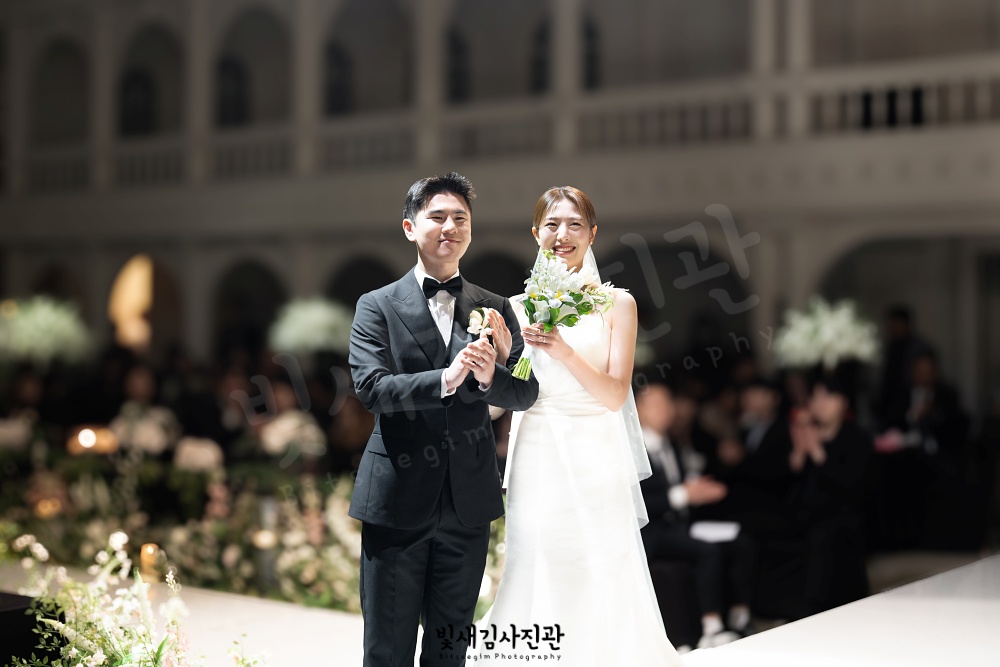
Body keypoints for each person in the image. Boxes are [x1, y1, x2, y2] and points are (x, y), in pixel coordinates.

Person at [469, 187, 684, 665]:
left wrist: (562, 349)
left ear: (592, 233)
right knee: (535, 557)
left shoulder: (618, 304)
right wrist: (493, 370)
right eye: (552, 224)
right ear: (536, 233)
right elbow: (506, 403)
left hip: (595, 452)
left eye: (574, 224)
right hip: (536, 451)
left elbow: (614, 395)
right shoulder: (516, 306)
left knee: (598, 560)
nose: (562, 234)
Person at [348, 172, 539, 667]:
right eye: (437, 217)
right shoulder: (376, 306)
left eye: (460, 218)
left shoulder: (496, 308)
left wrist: (490, 375)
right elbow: (372, 389)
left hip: (467, 503)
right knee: (387, 649)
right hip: (397, 499)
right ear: (410, 227)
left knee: (449, 650)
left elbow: (525, 390)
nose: (450, 227)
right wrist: (446, 378)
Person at [637, 382, 756, 649]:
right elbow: (639, 503)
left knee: (741, 541)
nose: (664, 410)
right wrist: (684, 495)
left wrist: (698, 490)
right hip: (653, 533)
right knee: (707, 551)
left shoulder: (672, 444)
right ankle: (711, 627)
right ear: (639, 410)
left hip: (681, 524)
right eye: (655, 404)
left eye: (667, 403)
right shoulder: (633, 450)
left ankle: (739, 617)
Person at [788, 373, 874, 617]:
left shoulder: (856, 437)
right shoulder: (805, 433)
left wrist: (817, 452)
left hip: (842, 514)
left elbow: (851, 484)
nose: (821, 403)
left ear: (844, 402)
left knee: (823, 535)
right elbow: (789, 481)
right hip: (806, 512)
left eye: (828, 396)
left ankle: (816, 608)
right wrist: (799, 452)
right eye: (815, 397)